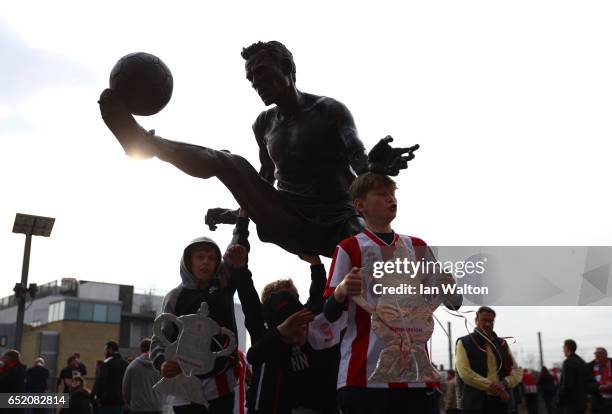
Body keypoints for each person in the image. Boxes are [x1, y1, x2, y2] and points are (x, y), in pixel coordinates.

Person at [98, 41, 419, 257]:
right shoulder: (263, 125)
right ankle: (145, 143)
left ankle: (426, 282)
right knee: (228, 161)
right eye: (252, 79)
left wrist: (372, 168)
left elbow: (356, 156)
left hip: (337, 220)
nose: (257, 83)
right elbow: (262, 185)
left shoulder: (329, 110)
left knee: (374, 249)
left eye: (262, 73)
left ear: (288, 69)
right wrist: (239, 231)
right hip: (289, 218)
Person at [322, 172, 461, 414]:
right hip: (363, 378)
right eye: (381, 194)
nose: (390, 199)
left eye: (392, 194)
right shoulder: (349, 247)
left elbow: (454, 303)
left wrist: (450, 286)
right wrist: (342, 290)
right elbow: (329, 313)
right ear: (360, 205)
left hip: (417, 379)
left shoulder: (417, 246)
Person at [149, 236, 261, 414]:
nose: (206, 262)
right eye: (200, 257)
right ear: (189, 261)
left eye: (211, 258)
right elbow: (159, 339)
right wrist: (162, 362)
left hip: (222, 383)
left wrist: (243, 218)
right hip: (185, 386)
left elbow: (235, 250)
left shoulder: (223, 285)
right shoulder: (174, 296)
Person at [246, 256, 340, 414]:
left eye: (296, 298)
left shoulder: (310, 322)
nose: (295, 304)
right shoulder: (265, 334)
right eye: (287, 298)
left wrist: (316, 265)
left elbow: (318, 297)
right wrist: (281, 332)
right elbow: (253, 355)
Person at [455, 306, 522, 414]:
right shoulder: (464, 343)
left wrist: (504, 383)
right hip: (475, 405)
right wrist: (494, 387)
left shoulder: (502, 344)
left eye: (490, 321)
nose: (487, 324)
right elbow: (465, 373)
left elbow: (517, 371)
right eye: (484, 320)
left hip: (501, 404)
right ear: (476, 321)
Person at [122, 338, 165, 414]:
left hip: (138, 407)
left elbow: (126, 389)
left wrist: (130, 403)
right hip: (157, 406)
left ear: (141, 349)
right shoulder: (160, 365)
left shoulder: (133, 366)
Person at [555, 339, 591, 414]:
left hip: (571, 403)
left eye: (564, 347)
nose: (563, 350)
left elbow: (567, 384)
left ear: (568, 348)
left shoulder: (568, 362)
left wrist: (558, 398)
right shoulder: (582, 362)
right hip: (582, 402)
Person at [92, 341, 128, 414]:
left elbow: (100, 381)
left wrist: (95, 396)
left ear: (110, 349)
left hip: (107, 401)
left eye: (105, 350)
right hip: (120, 401)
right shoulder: (125, 364)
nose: (104, 352)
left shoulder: (106, 363)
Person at [588, 347, 612, 414]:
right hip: (597, 402)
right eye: (595, 354)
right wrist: (598, 387)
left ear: (605, 355)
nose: (596, 356)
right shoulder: (590, 366)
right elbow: (587, 384)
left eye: (599, 354)